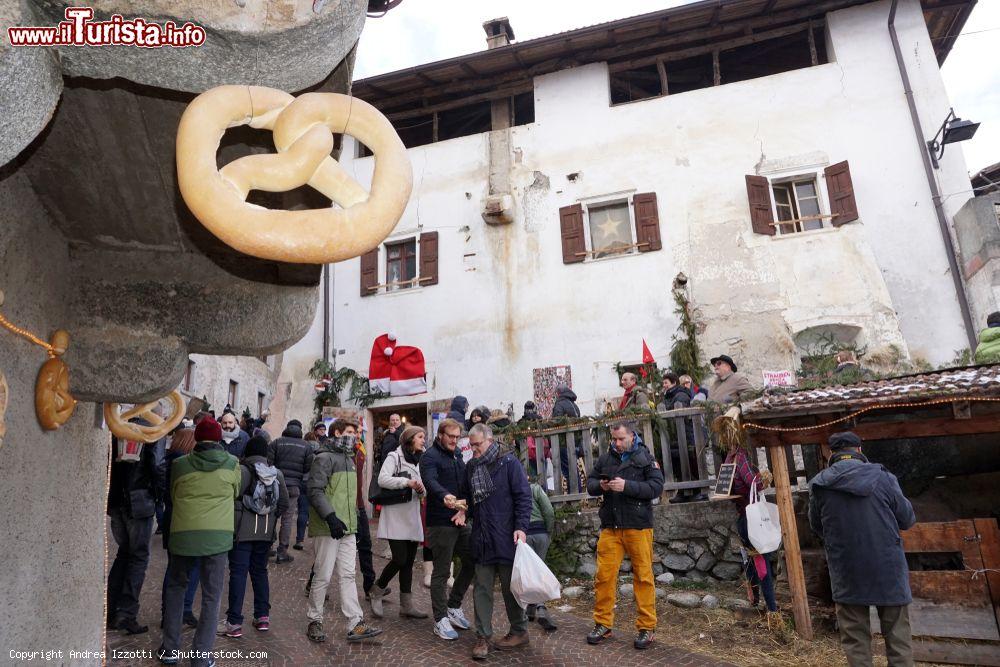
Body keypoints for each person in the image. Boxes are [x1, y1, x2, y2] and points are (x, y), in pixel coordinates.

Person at [809, 432, 916, 667]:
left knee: (856, 644)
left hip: (846, 571)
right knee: (898, 640)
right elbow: (907, 519)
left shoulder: (820, 484)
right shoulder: (884, 478)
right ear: (858, 450)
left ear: (831, 453)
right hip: (888, 570)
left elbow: (817, 527)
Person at [158, 416, 241, 667]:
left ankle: (170, 648)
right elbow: (236, 491)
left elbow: (173, 492)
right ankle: (201, 654)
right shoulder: (232, 463)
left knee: (176, 588)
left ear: (196, 438)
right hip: (218, 536)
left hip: (183, 533)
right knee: (211, 595)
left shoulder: (181, 464)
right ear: (219, 438)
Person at [586, 421, 664, 651]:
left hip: (638, 526)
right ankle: (603, 624)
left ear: (632, 436)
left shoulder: (645, 457)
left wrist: (627, 486)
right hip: (611, 526)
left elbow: (656, 488)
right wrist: (601, 485)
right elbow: (590, 484)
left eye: (621, 438)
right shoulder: (606, 458)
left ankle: (647, 627)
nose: (617, 443)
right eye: (614, 439)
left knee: (643, 577)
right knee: (604, 576)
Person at [305, 418, 382, 644]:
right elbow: (315, 490)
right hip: (329, 526)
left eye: (356, 432)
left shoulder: (349, 458)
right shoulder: (323, 458)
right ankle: (314, 620)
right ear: (337, 433)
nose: (355, 435)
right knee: (322, 575)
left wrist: (354, 521)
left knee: (348, 575)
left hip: (348, 527)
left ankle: (355, 623)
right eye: (350, 431)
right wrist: (330, 517)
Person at [465, 424, 532, 660]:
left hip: (506, 536)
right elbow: (471, 500)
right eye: (471, 445)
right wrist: (463, 510)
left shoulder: (509, 463)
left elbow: (524, 497)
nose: (473, 449)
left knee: (509, 587)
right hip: (483, 537)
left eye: (477, 445)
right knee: (481, 589)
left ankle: (519, 630)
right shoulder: (472, 466)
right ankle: (482, 637)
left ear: (490, 440)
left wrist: (521, 528)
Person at [218, 436, 289, 638]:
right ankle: (262, 616)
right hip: (265, 533)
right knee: (260, 572)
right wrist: (269, 514)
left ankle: (234, 622)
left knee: (238, 573)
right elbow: (283, 504)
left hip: (241, 531)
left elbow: (229, 497)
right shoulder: (277, 474)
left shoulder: (241, 471)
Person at [419, 418, 475, 641]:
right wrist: (444, 496)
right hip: (440, 522)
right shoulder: (429, 457)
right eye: (450, 436)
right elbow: (430, 481)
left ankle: (453, 605)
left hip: (461, 519)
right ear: (440, 435)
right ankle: (440, 618)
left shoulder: (458, 456)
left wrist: (465, 509)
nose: (454, 440)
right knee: (441, 572)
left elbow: (465, 485)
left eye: (457, 437)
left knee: (472, 560)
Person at [107, 426, 164, 635]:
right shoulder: (155, 430)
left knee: (123, 555)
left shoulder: (118, 426)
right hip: (140, 502)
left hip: (116, 501)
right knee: (138, 558)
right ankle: (127, 613)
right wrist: (159, 496)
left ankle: (110, 609)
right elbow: (157, 466)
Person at [369, 426, 429, 620]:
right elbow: (383, 479)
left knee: (409, 563)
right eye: (420, 437)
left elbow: (423, 489)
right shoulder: (394, 457)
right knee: (400, 558)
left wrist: (420, 490)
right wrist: (406, 483)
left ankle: (406, 605)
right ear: (410, 439)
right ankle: (377, 590)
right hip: (395, 515)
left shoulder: (420, 460)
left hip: (411, 515)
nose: (423, 440)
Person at [724, 440, 778, 614]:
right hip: (753, 518)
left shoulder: (728, 460)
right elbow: (754, 483)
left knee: (749, 559)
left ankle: (754, 600)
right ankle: (772, 608)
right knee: (761, 559)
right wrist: (764, 478)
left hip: (742, 516)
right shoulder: (741, 459)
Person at [158, 428, 201, 630]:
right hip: (183, 520)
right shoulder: (183, 463)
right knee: (186, 569)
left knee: (174, 568)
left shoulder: (169, 460)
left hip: (171, 519)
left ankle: (170, 612)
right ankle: (180, 611)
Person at [267, 419, 314, 563]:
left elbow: (269, 463)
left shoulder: (276, 442)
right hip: (294, 487)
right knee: (287, 520)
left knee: (272, 517)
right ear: (300, 430)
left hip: (275, 485)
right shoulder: (306, 446)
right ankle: (282, 551)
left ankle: (268, 547)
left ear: (287, 428)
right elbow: (307, 467)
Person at [658, 373, 704, 503]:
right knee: (678, 464)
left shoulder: (681, 395)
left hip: (684, 434)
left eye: (666, 382)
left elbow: (680, 415)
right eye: (663, 382)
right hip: (674, 436)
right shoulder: (668, 396)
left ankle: (698, 491)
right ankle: (684, 492)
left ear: (673, 382)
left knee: (689, 463)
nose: (664, 385)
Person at [526, 474, 557, 632]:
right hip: (540, 533)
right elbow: (549, 511)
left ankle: (531, 608)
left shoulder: (513, 491)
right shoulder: (535, 489)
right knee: (540, 571)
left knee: (530, 572)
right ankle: (540, 606)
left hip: (523, 535)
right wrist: (548, 531)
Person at [551, 384, 582, 485]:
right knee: (573, 468)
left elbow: (557, 422)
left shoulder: (559, 404)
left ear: (558, 393)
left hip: (564, 442)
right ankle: (577, 493)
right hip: (576, 441)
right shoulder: (574, 405)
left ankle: (573, 494)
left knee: (569, 471)